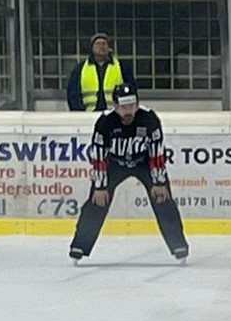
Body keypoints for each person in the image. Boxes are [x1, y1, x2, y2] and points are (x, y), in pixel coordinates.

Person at [68, 84, 189, 265]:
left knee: (163, 199)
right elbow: (99, 156)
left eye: (132, 106)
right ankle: (80, 246)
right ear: (115, 106)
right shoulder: (105, 123)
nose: (128, 111)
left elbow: (157, 153)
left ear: (138, 104)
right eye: (123, 107)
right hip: (113, 163)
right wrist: (100, 186)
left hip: (144, 162)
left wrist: (159, 182)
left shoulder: (149, 119)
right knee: (96, 201)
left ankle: (179, 246)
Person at [65, 33, 134, 112]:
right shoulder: (80, 68)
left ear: (109, 47)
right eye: (98, 44)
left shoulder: (121, 67)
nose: (101, 46)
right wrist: (79, 112)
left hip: (115, 116)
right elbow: (73, 94)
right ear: (92, 48)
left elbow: (131, 91)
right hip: (88, 115)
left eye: (104, 44)